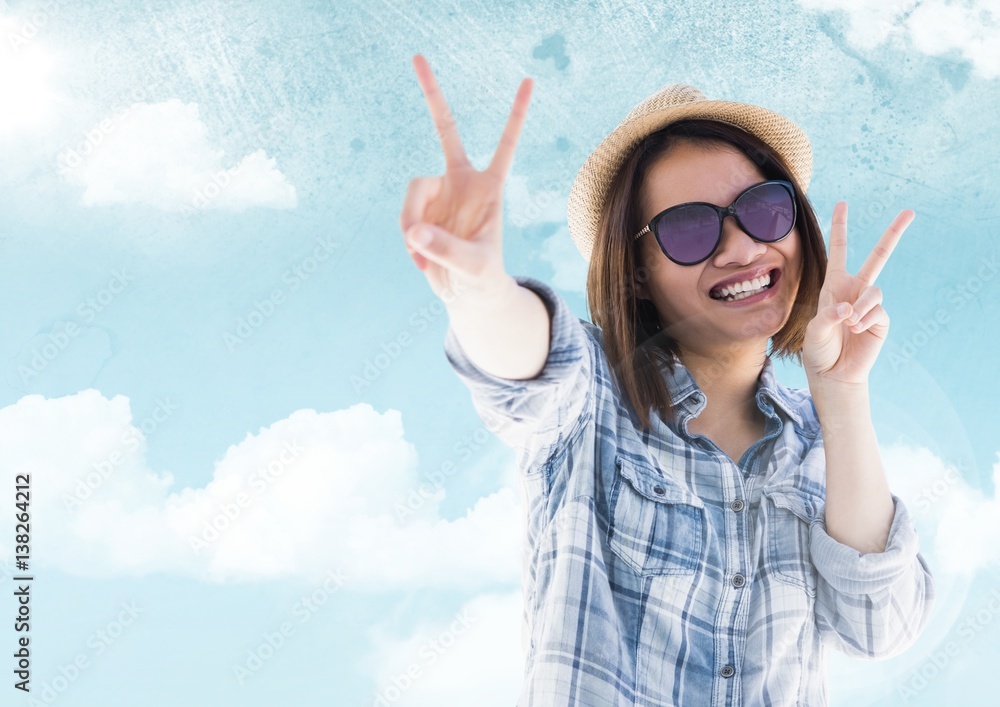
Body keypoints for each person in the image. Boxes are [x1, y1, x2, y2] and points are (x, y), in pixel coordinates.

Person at [399, 54, 935, 707]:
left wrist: (843, 392)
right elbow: (522, 363)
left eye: (764, 209)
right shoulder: (592, 398)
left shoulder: (824, 440)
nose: (741, 248)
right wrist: (479, 290)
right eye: (690, 228)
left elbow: (882, 626)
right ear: (636, 273)